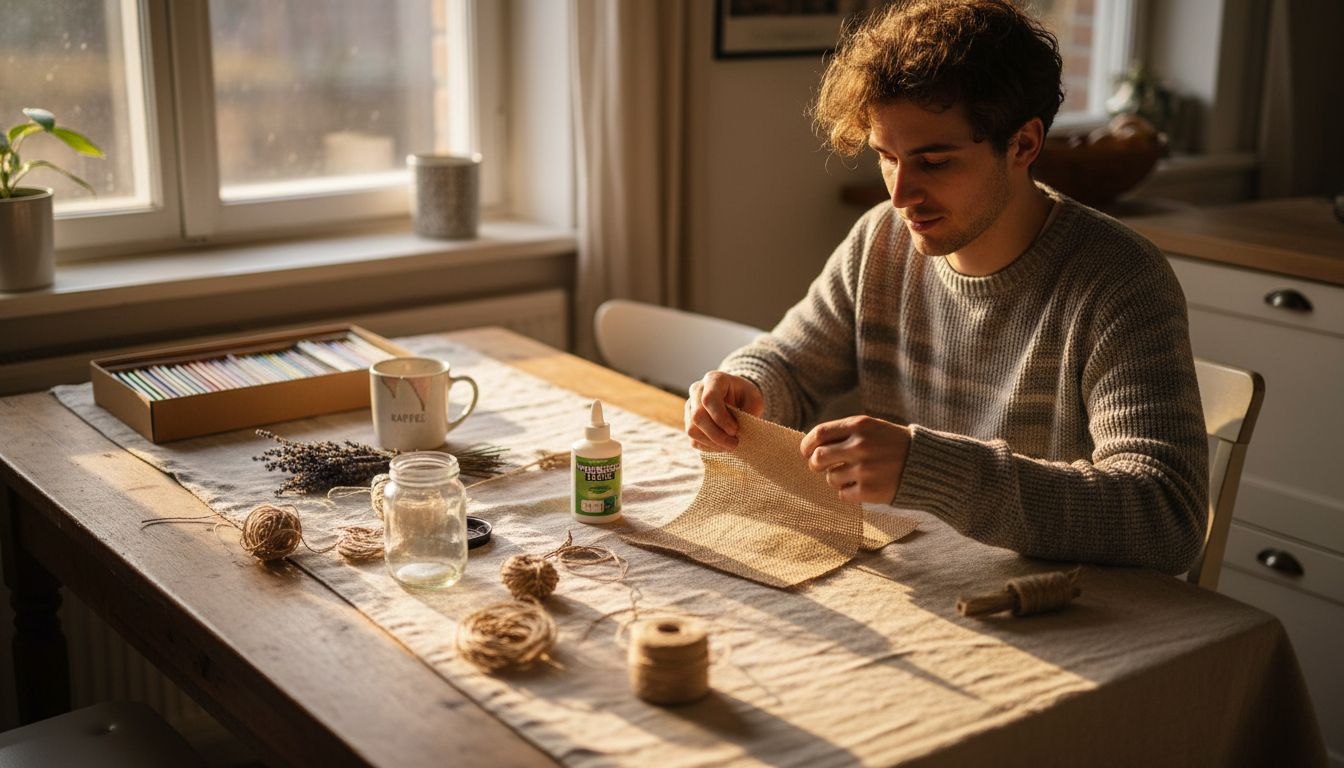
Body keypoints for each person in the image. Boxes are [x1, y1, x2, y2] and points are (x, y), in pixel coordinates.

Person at [683, 0, 1208, 574]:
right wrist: (747, 387)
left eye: (933, 161)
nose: (900, 193)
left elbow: (1168, 517)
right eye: (887, 157)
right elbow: (788, 362)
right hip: (920, 579)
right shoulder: (881, 241)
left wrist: (929, 469)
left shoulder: (1119, 279)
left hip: (1057, 610)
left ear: (1023, 145)